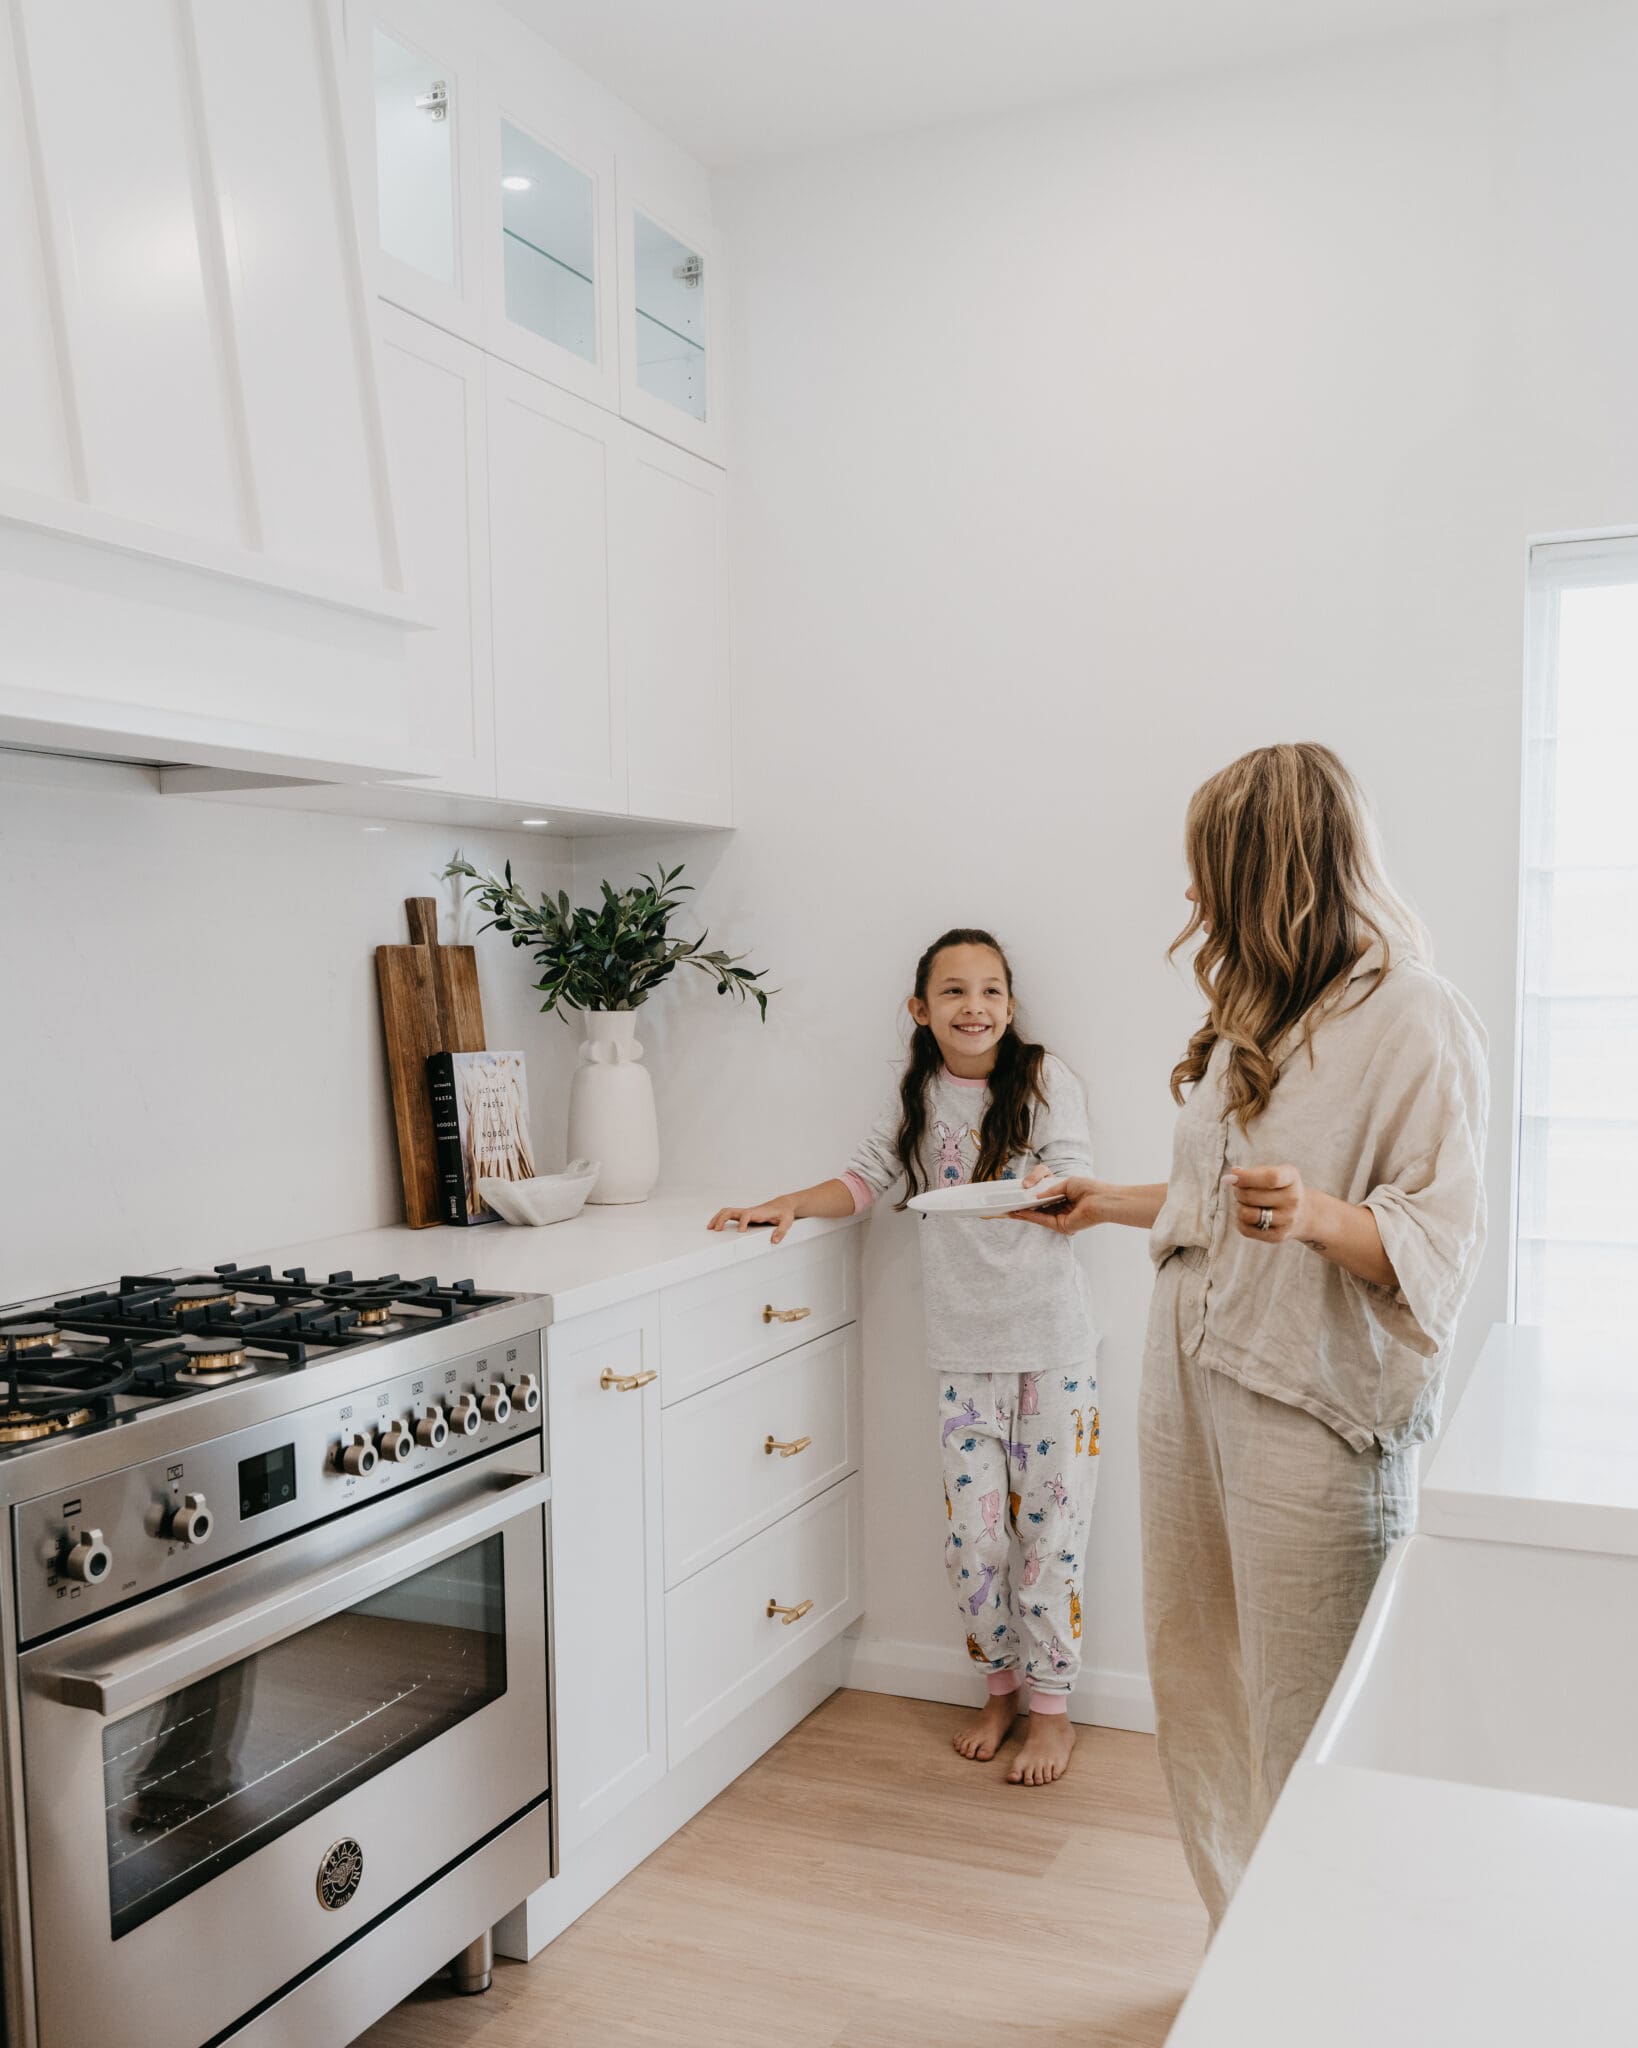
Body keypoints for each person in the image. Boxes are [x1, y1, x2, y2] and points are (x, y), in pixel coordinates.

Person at [1018, 742, 1488, 1922]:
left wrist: (1325, 1216)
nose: (1191, 901)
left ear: (1271, 868)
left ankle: (1332, 1974)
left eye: (1207, 872)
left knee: (1313, 1706)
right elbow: (1218, 1201)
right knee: (1203, 1679)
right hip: (1194, 1384)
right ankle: (1246, 1959)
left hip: (1310, 1404)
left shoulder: (1417, 1016)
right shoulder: (1251, 1012)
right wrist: (1109, 1201)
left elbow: (1445, 1234)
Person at [709, 928, 1099, 1785]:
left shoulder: (1043, 1080)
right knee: (976, 1542)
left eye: (992, 990)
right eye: (955, 992)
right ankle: (997, 1689)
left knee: (1051, 1539)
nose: (976, 1007)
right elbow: (858, 1183)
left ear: (1011, 1005)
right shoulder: (914, 1096)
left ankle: (1051, 1710)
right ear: (922, 1010)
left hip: (1053, 1351)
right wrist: (788, 1203)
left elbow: (1077, 1184)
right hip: (962, 1354)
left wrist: (1038, 1192)